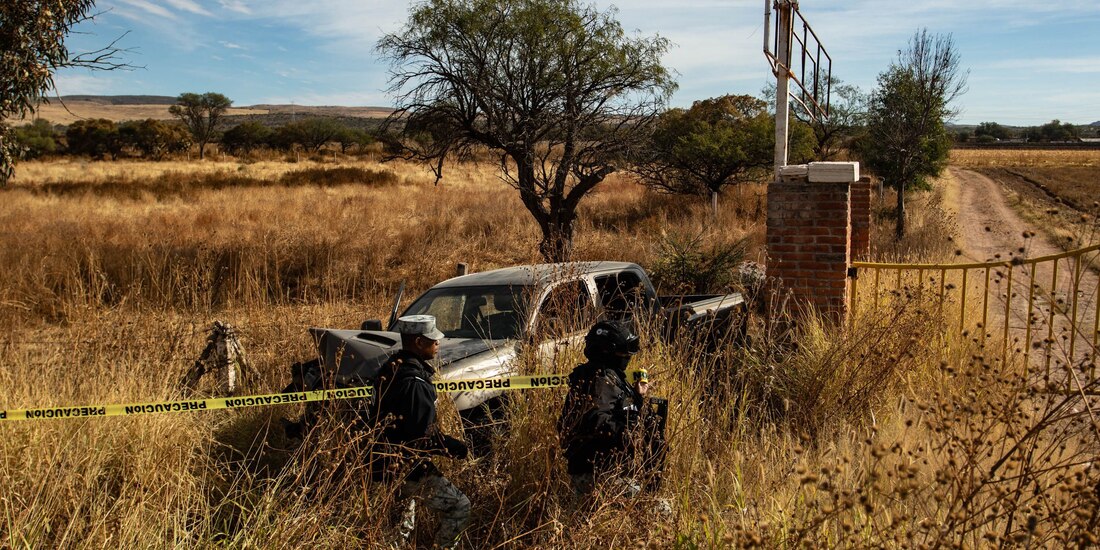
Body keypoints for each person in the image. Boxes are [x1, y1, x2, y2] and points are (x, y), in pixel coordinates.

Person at [371, 314, 470, 549]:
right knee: (460, 507)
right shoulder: (415, 383)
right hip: (409, 468)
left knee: (399, 530)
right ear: (418, 342)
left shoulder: (388, 371)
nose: (438, 344)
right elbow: (420, 438)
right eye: (433, 340)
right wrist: (454, 448)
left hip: (384, 464)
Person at [558, 319, 649, 497]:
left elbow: (618, 410)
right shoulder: (599, 381)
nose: (628, 357)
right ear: (608, 351)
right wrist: (631, 433)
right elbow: (597, 421)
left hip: (605, 469)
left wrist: (637, 397)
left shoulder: (604, 376)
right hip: (597, 473)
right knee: (661, 510)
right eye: (624, 352)